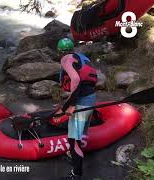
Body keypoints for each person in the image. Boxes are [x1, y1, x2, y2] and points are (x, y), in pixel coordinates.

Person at [52, 38, 97, 180]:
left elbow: (76, 80)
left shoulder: (66, 59)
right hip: (90, 98)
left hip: (81, 102)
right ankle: (74, 157)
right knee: (81, 133)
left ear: (60, 52)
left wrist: (71, 105)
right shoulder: (81, 57)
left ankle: (76, 174)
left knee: (74, 140)